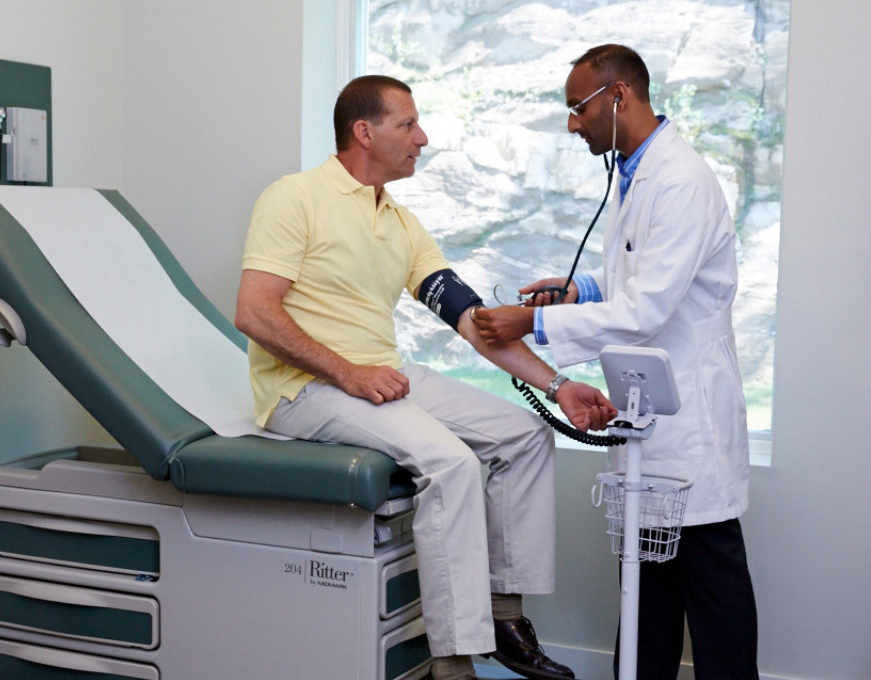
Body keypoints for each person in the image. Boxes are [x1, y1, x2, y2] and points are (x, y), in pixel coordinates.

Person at [234, 75, 617, 680]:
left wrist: (556, 385)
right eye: (408, 125)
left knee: (524, 436)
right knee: (452, 463)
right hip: (302, 390)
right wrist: (348, 372)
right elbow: (254, 311)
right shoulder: (295, 197)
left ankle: (504, 618)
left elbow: (472, 320)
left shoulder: (400, 221)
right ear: (365, 132)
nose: (423, 138)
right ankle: (455, 664)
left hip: (377, 374)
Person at [472, 44, 759, 680]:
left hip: (690, 421)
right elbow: (638, 278)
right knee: (647, 588)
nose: (573, 124)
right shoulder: (636, 170)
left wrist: (536, 321)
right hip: (648, 413)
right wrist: (581, 292)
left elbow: (646, 310)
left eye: (578, 108)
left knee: (715, 597)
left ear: (618, 95)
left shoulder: (679, 179)